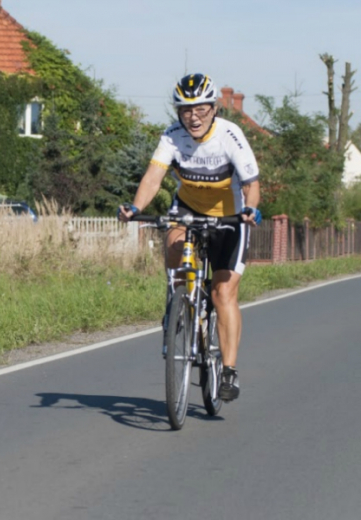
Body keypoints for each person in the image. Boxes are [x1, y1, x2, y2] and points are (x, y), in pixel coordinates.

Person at [118, 73, 261, 402]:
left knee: (223, 292)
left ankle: (228, 370)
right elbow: (154, 176)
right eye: (185, 110)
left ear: (213, 108)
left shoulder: (230, 135)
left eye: (200, 109)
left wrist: (250, 210)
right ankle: (179, 301)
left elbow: (252, 183)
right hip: (187, 207)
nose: (193, 117)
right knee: (173, 245)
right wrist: (135, 206)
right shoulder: (172, 137)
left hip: (230, 215)